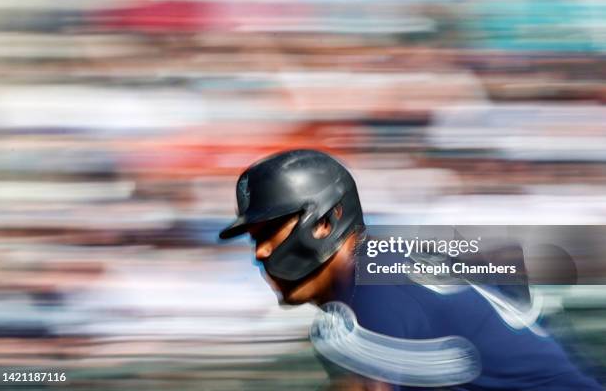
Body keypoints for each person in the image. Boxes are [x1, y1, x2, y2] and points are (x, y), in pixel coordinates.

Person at [219, 149, 601, 390]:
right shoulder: (386, 262)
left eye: (269, 231)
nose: (261, 252)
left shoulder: (364, 303)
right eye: (255, 239)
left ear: (324, 223)